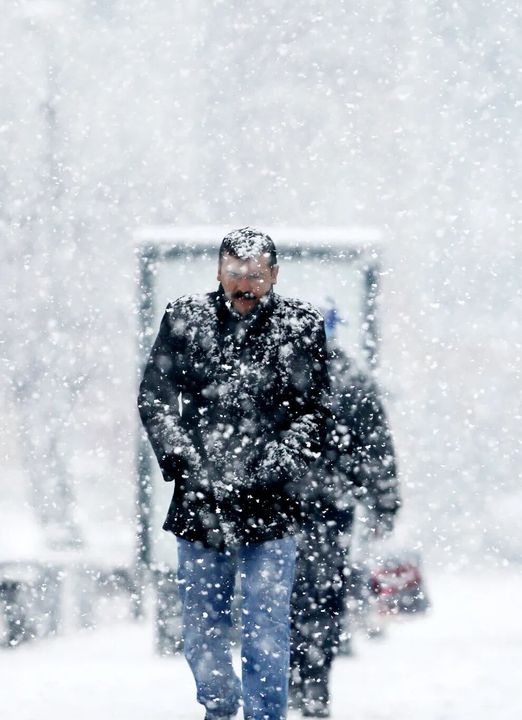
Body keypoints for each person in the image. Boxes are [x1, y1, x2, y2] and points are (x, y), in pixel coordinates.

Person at [138, 227, 330, 720]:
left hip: (272, 504)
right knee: (203, 629)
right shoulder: (185, 319)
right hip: (200, 504)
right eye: (235, 274)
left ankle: (266, 716)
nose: (245, 285)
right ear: (218, 271)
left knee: (267, 629)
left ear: (274, 275)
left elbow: (314, 411)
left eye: (256, 276)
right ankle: (219, 709)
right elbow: (156, 398)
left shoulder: (300, 326)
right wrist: (184, 459)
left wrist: (275, 466)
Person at [290, 310, 401, 718]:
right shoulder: (351, 379)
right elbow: (376, 449)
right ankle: (315, 679)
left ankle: (289, 676)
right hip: (330, 509)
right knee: (322, 595)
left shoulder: (277, 374)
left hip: (279, 508)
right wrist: (383, 502)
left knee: (278, 595)